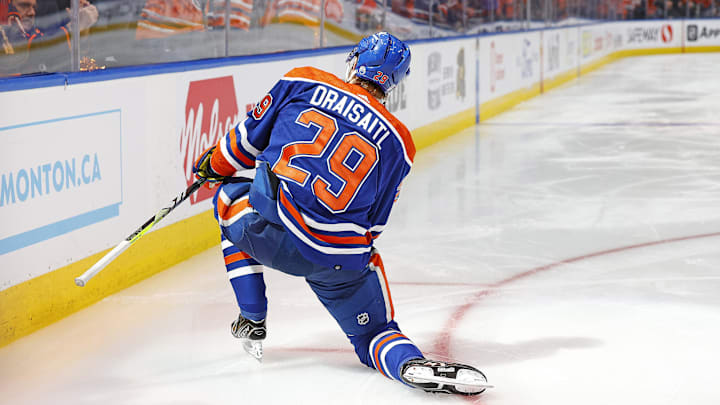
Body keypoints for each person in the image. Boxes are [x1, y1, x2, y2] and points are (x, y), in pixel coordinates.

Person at [192, 32, 490, 395]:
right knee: (374, 334)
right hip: (334, 258)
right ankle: (410, 364)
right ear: (395, 81)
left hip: (264, 231)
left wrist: (211, 164)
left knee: (229, 199)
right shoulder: (400, 142)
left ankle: (252, 317)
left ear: (356, 60)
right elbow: (375, 225)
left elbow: (242, 145)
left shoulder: (302, 80)